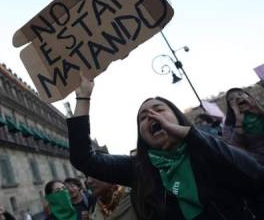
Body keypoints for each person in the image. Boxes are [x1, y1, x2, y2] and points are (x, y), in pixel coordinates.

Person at [67, 73, 264, 220]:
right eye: (143, 117)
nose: (151, 116)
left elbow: (255, 175)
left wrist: (191, 135)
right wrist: (83, 96)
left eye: (159, 109)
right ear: (141, 135)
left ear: (178, 118)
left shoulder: (208, 149)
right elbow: (83, 158)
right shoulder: (139, 169)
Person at [224, 87, 264, 163]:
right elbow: (236, 149)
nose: (237, 98)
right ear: (230, 106)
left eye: (240, 94)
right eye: (232, 99)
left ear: (249, 96)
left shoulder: (260, 109)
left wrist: (259, 109)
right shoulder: (229, 125)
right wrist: (238, 121)